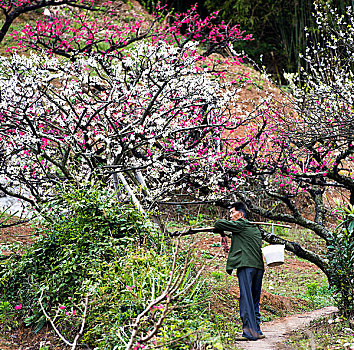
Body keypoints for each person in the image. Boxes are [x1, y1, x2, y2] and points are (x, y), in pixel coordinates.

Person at [214, 201, 265, 341]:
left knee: (246, 298)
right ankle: (258, 330)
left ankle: (249, 332)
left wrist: (221, 231)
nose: (230, 215)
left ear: (241, 214)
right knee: (254, 298)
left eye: (232, 212)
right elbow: (235, 234)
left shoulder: (241, 224)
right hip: (258, 267)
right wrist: (223, 234)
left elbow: (218, 223)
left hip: (246, 266)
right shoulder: (253, 228)